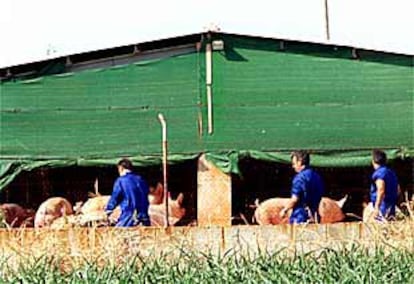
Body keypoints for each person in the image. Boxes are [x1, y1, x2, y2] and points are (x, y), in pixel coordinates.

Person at [280, 150, 324, 224]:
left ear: (299, 162)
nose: (293, 166)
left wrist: (284, 210)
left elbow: (294, 199)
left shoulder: (299, 178)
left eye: (294, 164)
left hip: (300, 218)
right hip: (315, 217)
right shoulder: (317, 177)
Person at [105, 158, 150, 227]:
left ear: (121, 168)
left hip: (128, 216)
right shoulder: (141, 180)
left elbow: (115, 197)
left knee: (119, 234)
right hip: (144, 217)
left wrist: (109, 209)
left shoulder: (121, 181)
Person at [369, 149, 400, 221]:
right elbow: (398, 190)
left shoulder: (379, 173)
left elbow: (381, 190)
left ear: (373, 161)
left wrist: (377, 207)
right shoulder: (391, 172)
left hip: (383, 207)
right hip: (391, 206)